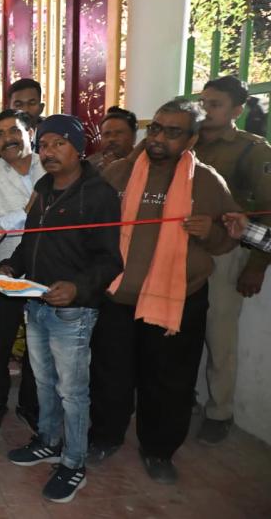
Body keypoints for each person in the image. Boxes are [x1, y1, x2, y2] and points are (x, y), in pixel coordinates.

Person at [89, 99, 239, 484]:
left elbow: (229, 238)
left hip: (178, 301)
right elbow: (91, 226)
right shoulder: (118, 173)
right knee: (111, 376)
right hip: (118, 297)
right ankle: (105, 437)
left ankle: (158, 450)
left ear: (191, 140)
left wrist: (211, 233)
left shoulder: (207, 182)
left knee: (169, 382)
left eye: (172, 132)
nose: (158, 138)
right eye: (155, 128)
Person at [4, 114, 122, 504]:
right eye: (43, 145)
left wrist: (76, 288)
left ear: (79, 148)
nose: (48, 152)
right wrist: (11, 268)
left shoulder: (99, 195)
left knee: (72, 392)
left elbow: (110, 260)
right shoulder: (43, 188)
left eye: (58, 143)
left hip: (74, 311)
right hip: (37, 302)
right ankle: (49, 441)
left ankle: (73, 462)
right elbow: (30, 243)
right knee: (43, 382)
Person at [194, 75, 271, 445]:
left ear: (237, 110)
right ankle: (183, 396)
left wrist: (256, 265)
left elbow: (268, 211)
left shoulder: (252, 150)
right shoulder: (188, 142)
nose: (206, 110)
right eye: (203, 102)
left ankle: (219, 411)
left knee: (219, 335)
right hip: (184, 248)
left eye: (216, 104)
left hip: (225, 254)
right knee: (180, 330)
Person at [0, 109, 45, 435]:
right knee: (1, 343)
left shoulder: (50, 165)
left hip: (47, 267)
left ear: (30, 132)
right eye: (0, 134)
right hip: (5, 270)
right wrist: (24, 212)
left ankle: (30, 405)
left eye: (14, 131)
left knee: (38, 342)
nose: (7, 139)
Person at [0, 78, 46, 166]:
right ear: (8, 108)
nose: (25, 109)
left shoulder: (53, 145)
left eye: (31, 103)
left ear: (41, 108)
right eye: (18, 104)